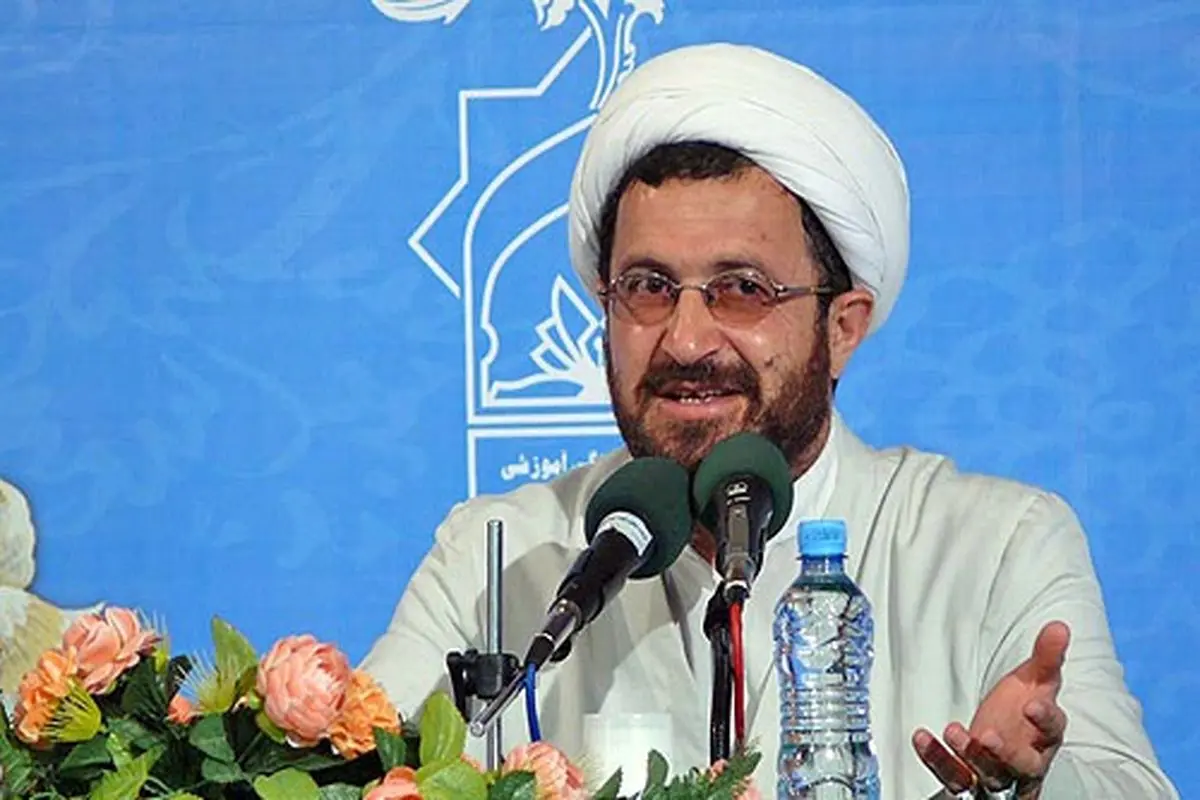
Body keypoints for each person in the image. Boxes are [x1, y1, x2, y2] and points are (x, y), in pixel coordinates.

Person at [361, 42, 1178, 799]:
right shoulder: (500, 557)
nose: (686, 339)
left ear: (843, 326)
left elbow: (1129, 786)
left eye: (743, 289)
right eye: (647, 287)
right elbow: (350, 770)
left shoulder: (994, 544)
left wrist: (1032, 783)